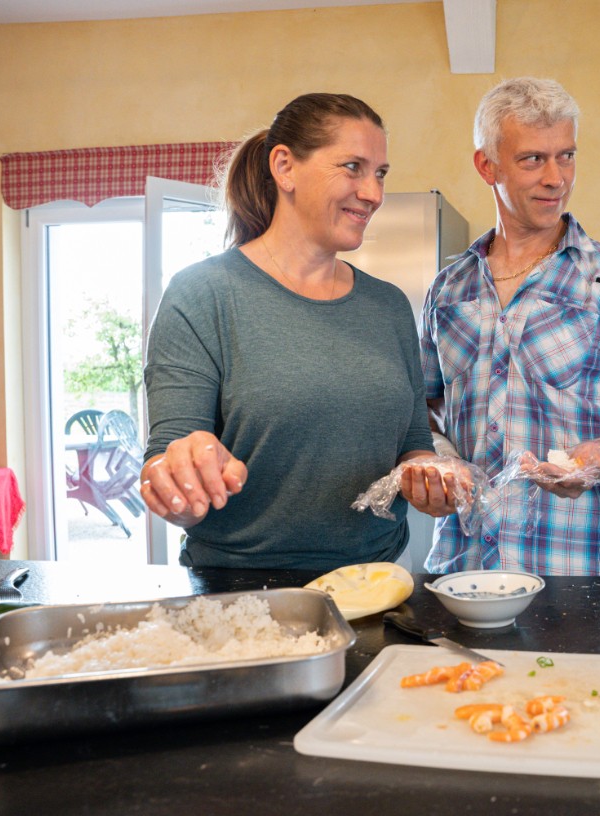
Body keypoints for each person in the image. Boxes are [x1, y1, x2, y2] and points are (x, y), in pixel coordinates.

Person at [140, 92, 457, 570]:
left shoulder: (388, 305)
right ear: (285, 167)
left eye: (381, 173)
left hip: (377, 582)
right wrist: (180, 481)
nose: (373, 193)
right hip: (239, 592)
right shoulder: (202, 294)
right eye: (353, 167)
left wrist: (430, 475)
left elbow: (413, 439)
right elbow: (169, 453)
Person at [412, 77, 600, 576]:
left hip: (575, 569)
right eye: (533, 159)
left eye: (567, 156)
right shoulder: (447, 291)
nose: (557, 178)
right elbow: (423, 414)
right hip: (462, 566)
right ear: (486, 165)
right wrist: (440, 460)